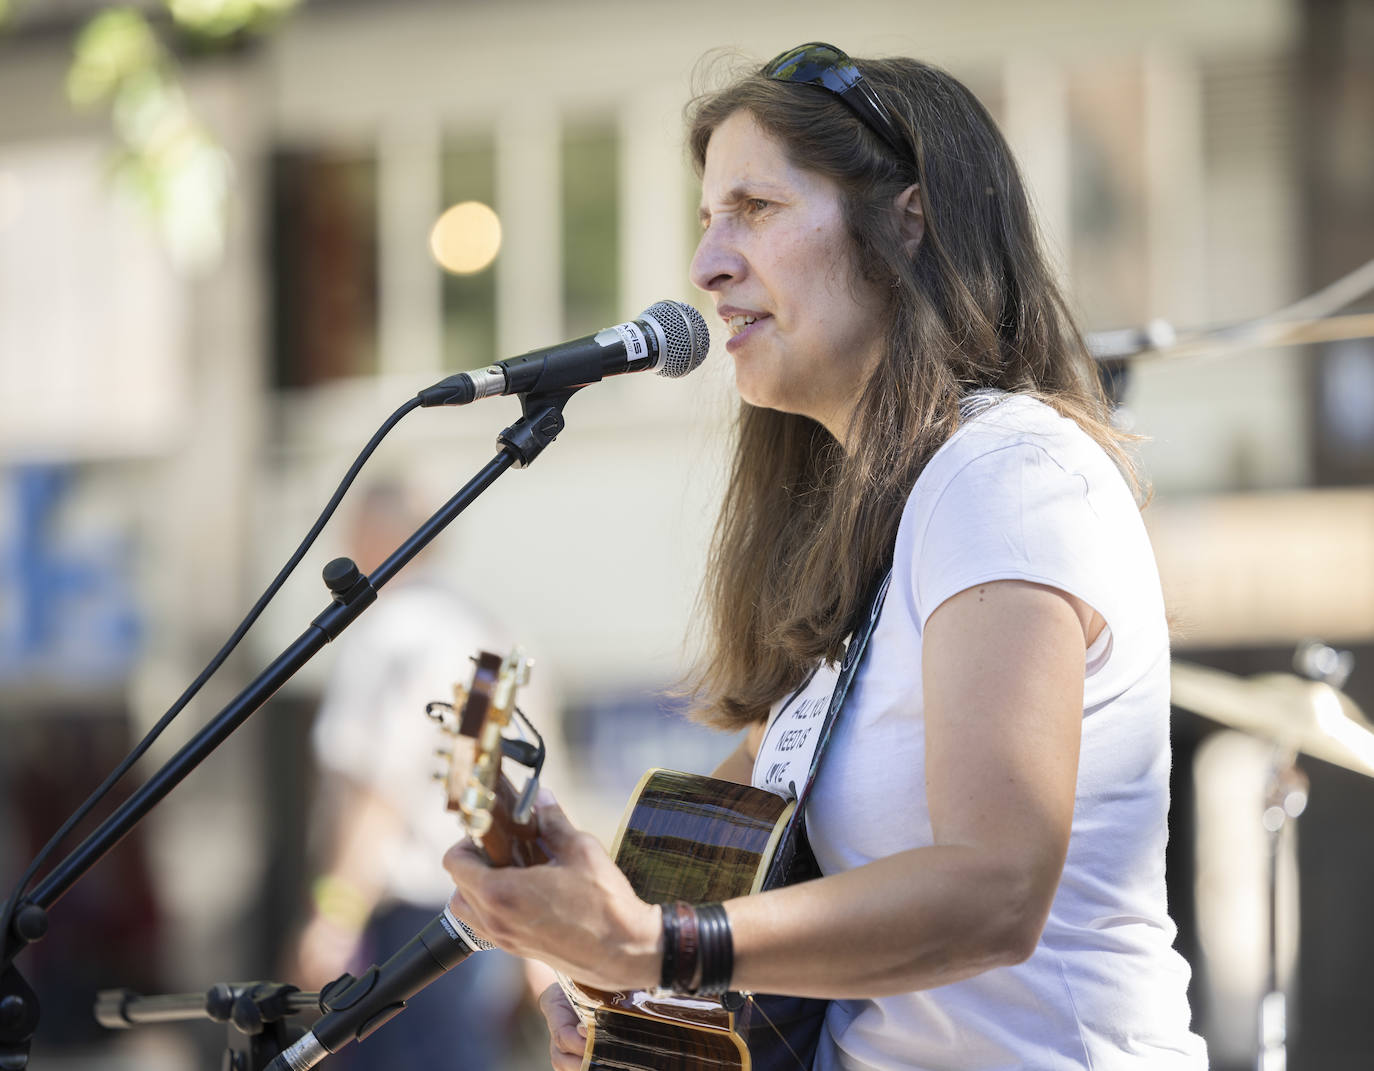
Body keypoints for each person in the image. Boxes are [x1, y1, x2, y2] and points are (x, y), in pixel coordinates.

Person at [443, 42, 1209, 1070]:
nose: (706, 264)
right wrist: (600, 954)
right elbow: (725, 881)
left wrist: (657, 944)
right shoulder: (866, 536)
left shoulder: (1008, 473)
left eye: (754, 207)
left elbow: (994, 892)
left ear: (909, 217)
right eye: (706, 219)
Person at [290, 480, 530, 1070]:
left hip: (403, 923)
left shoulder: (391, 632)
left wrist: (335, 912)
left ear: (380, 537)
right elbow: (496, 782)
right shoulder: (481, 631)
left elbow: (380, 786)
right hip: (479, 910)